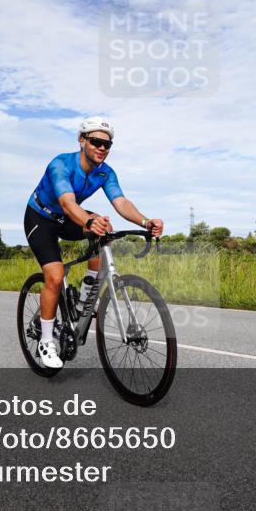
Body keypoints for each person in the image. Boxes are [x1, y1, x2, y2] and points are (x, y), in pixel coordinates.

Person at [24, 116, 163, 368]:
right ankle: (45, 341)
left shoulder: (105, 172)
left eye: (107, 144)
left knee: (105, 228)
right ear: (82, 140)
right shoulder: (61, 164)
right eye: (95, 142)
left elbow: (121, 202)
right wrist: (88, 222)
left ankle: (85, 298)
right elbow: (67, 203)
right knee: (54, 276)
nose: (101, 148)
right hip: (41, 218)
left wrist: (145, 222)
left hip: (68, 218)